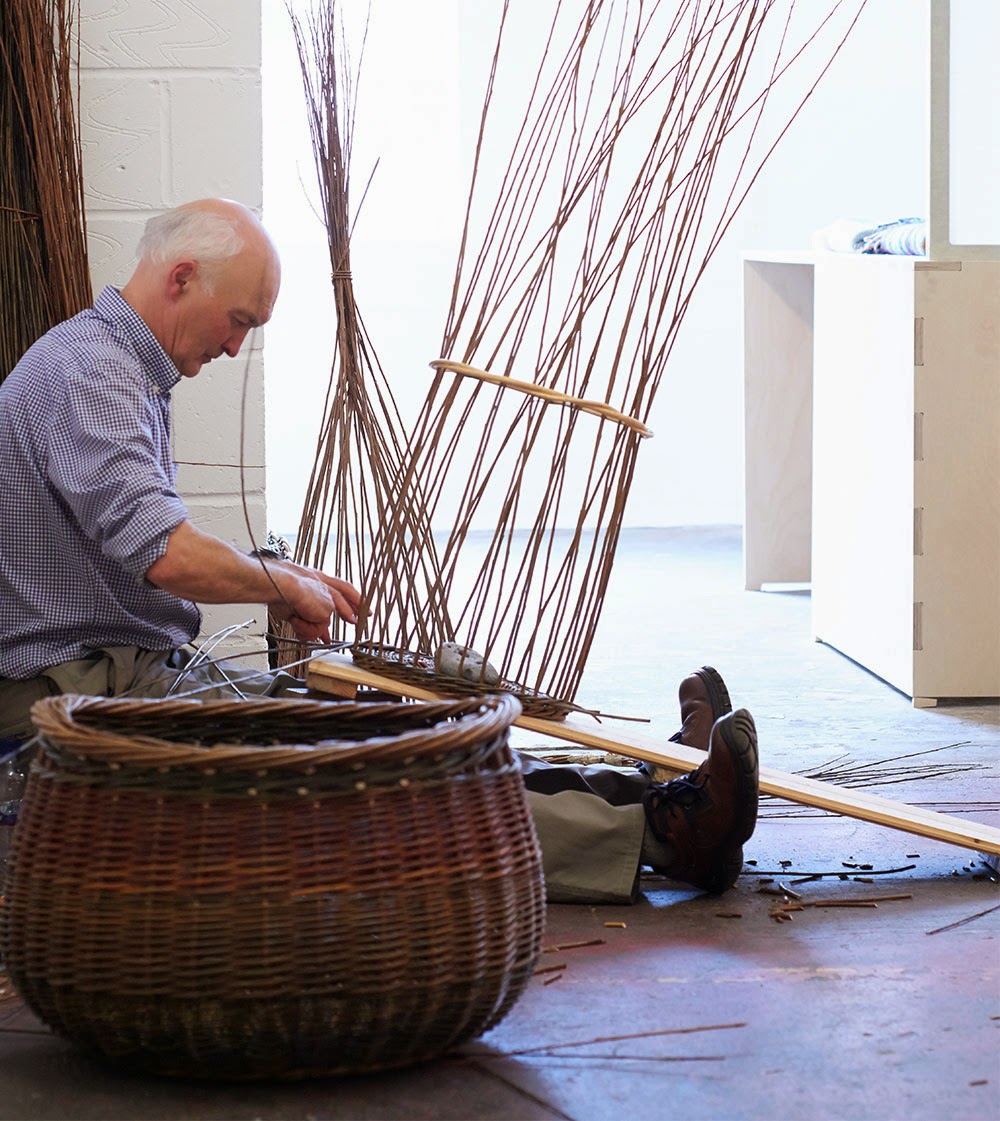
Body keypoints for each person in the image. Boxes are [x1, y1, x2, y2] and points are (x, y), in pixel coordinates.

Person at [0, 198, 759, 903]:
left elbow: (150, 544)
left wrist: (286, 576)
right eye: (236, 320)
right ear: (180, 278)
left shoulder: (111, 369)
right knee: (369, 781)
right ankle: (667, 833)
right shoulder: (92, 373)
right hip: (73, 695)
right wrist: (281, 586)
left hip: (118, 675)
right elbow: (164, 553)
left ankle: (656, 791)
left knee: (395, 738)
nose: (235, 345)